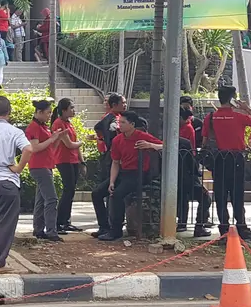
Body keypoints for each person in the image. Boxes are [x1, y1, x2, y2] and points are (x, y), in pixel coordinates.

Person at [0, 95, 59, 271]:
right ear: (9, 112)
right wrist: (18, 168)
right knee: (5, 223)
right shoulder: (14, 131)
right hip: (7, 182)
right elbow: (29, 148)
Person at [202, 86, 251, 237]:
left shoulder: (210, 118)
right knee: (237, 193)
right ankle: (241, 225)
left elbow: (204, 141)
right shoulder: (239, 117)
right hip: (236, 157)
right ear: (231, 99)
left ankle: (224, 226)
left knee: (220, 193)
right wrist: (247, 109)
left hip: (218, 158)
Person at [92, 112, 163, 242]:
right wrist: (112, 181)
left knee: (117, 195)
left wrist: (151, 145)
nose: (120, 125)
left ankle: (116, 230)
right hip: (123, 172)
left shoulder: (142, 136)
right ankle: (104, 227)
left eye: (123, 122)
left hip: (139, 173)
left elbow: (165, 146)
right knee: (97, 193)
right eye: (119, 122)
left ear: (132, 124)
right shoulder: (117, 140)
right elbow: (115, 162)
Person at [26, 98, 61, 242]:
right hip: (39, 166)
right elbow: (34, 148)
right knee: (51, 199)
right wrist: (52, 139)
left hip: (46, 165)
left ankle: (39, 229)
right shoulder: (33, 127)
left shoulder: (44, 127)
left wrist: (57, 138)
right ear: (39, 112)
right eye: (47, 113)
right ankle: (51, 231)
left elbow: (51, 147)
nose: (49, 115)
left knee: (41, 199)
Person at [178, 107, 212, 236]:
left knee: (183, 198)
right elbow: (190, 155)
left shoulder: (183, 130)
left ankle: (182, 223)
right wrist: (196, 172)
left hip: (180, 172)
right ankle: (199, 226)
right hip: (187, 173)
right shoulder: (186, 134)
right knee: (204, 198)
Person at [51, 98, 84, 233]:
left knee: (71, 190)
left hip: (73, 159)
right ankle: (59, 221)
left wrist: (82, 161)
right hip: (63, 159)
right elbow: (70, 144)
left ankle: (66, 220)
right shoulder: (59, 124)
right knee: (68, 189)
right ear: (64, 110)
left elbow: (74, 144)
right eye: (71, 108)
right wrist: (83, 142)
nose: (73, 110)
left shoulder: (69, 123)